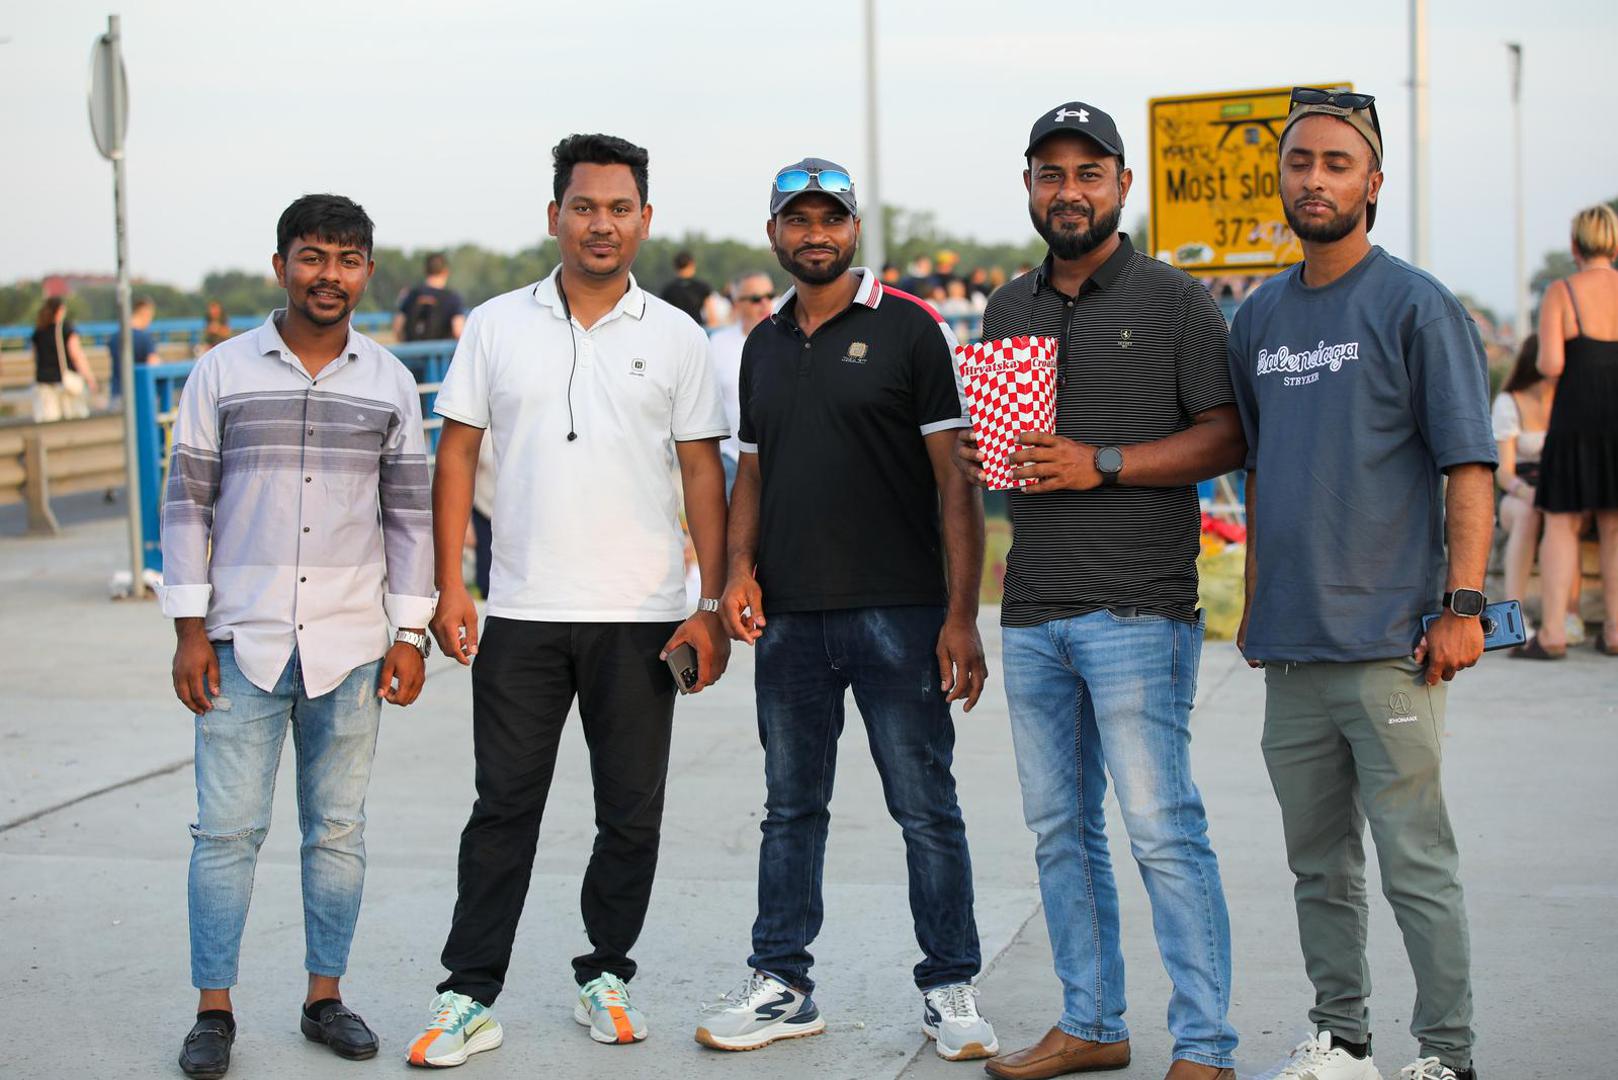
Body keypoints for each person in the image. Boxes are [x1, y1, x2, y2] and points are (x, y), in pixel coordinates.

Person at [409, 134, 730, 1066]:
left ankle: (607, 973)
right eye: (584, 206)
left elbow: (702, 475)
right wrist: (450, 585)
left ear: (645, 220)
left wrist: (709, 605)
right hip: (521, 609)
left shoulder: (677, 335)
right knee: (503, 807)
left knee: (630, 812)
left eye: (619, 208)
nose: (601, 224)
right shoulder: (496, 325)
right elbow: (456, 456)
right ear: (554, 215)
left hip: (643, 613)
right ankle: (469, 992)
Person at [959, 101, 1245, 1080]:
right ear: (1029, 186)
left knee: (1162, 832)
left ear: (1122, 184)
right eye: (1051, 173)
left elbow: (1227, 435)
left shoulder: (1176, 300)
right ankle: (1090, 1022)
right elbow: (1015, 453)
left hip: (1136, 606)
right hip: (1033, 606)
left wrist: (1104, 462)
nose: (1069, 191)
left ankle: (1205, 1046)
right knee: (1058, 834)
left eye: (1088, 173)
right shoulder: (1007, 308)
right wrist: (987, 454)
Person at [696, 157, 996, 1063]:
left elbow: (956, 482)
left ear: (855, 229)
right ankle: (782, 983)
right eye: (798, 219)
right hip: (790, 617)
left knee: (925, 807)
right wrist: (737, 574)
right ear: (774, 233)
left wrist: (961, 615)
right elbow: (752, 473)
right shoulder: (761, 342)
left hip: (900, 613)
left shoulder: (911, 326)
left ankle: (950, 985)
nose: (815, 234)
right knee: (790, 809)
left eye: (831, 219)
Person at [1229, 88, 1493, 1080]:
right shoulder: (1258, 317)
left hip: (1392, 643)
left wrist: (1463, 606)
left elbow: (1468, 464)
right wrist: (1254, 604)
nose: (1315, 179)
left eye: (1336, 164)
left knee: (1415, 866)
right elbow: (1263, 472)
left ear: (1372, 182)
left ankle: (1448, 1057)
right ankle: (1341, 1039)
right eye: (1299, 162)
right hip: (1291, 649)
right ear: (1281, 179)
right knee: (1318, 868)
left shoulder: (1416, 305)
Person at [160, 193, 435, 1079]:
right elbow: (186, 504)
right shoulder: (222, 373)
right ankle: (213, 1011)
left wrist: (411, 632)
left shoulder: (389, 383)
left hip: (350, 646)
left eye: (348, 260)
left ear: (367, 273)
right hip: (240, 642)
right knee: (224, 834)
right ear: (281, 265)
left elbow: (410, 518)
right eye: (313, 256)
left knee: (338, 832)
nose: (330, 275)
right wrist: (188, 630)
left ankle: (325, 998)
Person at [1522, 203, 1618, 658]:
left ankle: (1553, 633)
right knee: (1614, 525)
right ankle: (1615, 632)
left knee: (1561, 523)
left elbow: (1550, 364)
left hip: (1575, 417)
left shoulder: (1563, 291)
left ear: (1575, 245)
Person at [1491, 335, 1584, 645]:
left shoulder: (1567, 400)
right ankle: (1513, 615)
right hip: (1518, 491)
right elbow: (1503, 472)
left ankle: (1568, 614)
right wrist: (1527, 493)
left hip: (1559, 489)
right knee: (1528, 514)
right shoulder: (1509, 402)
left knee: (1568, 517)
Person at [705, 269, 775, 495]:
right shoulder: (718, 343)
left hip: (777, 460)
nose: (764, 303)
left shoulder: (789, 340)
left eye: (769, 296)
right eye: (755, 298)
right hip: (731, 459)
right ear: (736, 304)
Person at [30, 297, 97, 421]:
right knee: (74, 420)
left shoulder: (38, 332)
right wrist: (89, 378)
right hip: (65, 382)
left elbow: (35, 357)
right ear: (60, 310)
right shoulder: (66, 329)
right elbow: (76, 355)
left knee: (49, 422)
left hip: (44, 382)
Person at [394, 252, 466, 342]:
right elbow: (458, 331)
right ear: (446, 271)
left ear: (425, 271)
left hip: (413, 349)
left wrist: (407, 346)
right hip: (442, 350)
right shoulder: (452, 298)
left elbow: (398, 327)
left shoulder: (412, 294)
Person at [107, 295, 161, 398]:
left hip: (117, 393)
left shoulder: (114, 337)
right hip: (138, 396)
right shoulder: (146, 338)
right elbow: (153, 365)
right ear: (145, 313)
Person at [660, 249, 715, 326]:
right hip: (697, 327)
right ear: (692, 264)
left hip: (676, 327)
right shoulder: (702, 287)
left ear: (675, 266)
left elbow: (663, 314)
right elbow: (711, 316)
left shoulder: (669, 289)